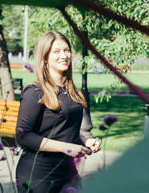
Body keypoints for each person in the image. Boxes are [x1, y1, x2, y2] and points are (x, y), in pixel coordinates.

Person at [15, 31, 101, 193]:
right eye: (57, 51)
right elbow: (23, 136)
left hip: (68, 173)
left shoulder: (71, 91)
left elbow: (64, 129)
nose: (64, 55)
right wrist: (67, 148)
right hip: (39, 175)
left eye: (66, 50)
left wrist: (85, 141)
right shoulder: (35, 91)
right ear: (45, 58)